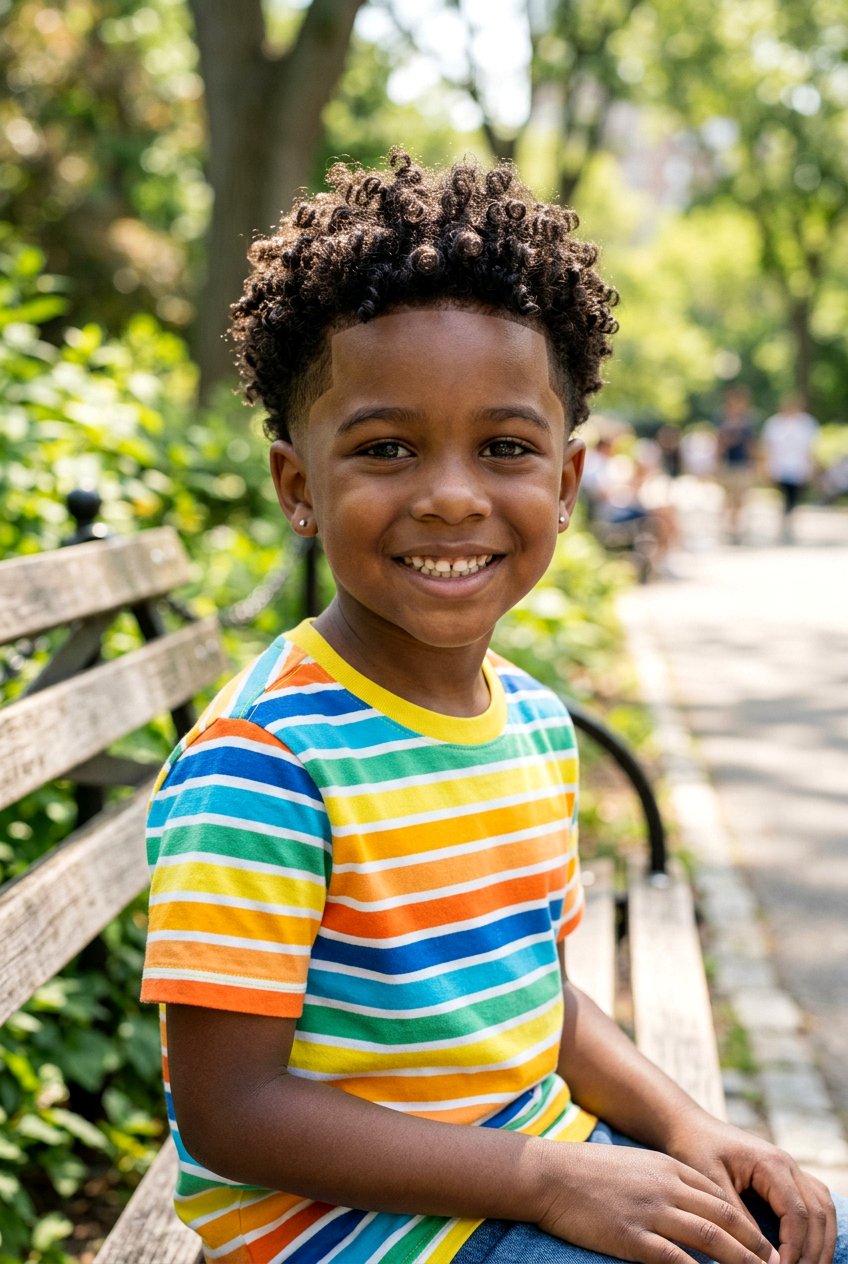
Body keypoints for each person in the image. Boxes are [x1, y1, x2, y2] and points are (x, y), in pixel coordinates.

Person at [140, 152, 846, 1264]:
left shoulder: (528, 720)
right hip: (353, 1229)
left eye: (505, 448)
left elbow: (539, 998)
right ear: (297, 488)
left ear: (564, 487)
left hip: (514, 1163)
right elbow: (229, 1111)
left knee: (814, 1233)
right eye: (385, 448)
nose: (454, 493)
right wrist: (549, 1176)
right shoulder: (267, 757)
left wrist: (686, 1125)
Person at [761, 395, 820, 541]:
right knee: (784, 496)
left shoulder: (807, 423)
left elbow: (811, 448)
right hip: (780, 467)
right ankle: (785, 523)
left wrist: (812, 467)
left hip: (798, 467)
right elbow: (768, 447)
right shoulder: (774, 423)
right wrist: (765, 465)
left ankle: (788, 523)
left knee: (793, 496)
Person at [715, 386, 758, 544]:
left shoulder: (748, 422)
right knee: (727, 497)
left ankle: (735, 527)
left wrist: (754, 463)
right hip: (728, 463)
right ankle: (725, 526)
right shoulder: (723, 420)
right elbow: (719, 443)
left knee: (740, 498)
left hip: (742, 464)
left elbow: (752, 445)